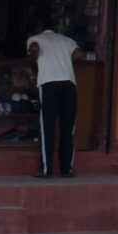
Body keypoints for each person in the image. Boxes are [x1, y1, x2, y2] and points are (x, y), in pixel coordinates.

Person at [26, 22, 82, 179]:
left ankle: (46, 169)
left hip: (48, 83)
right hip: (68, 84)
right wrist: (65, 63)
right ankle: (66, 169)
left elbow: (34, 48)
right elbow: (79, 54)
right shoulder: (67, 40)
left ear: (39, 29)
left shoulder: (36, 38)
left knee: (47, 126)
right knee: (68, 128)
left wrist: (34, 58)